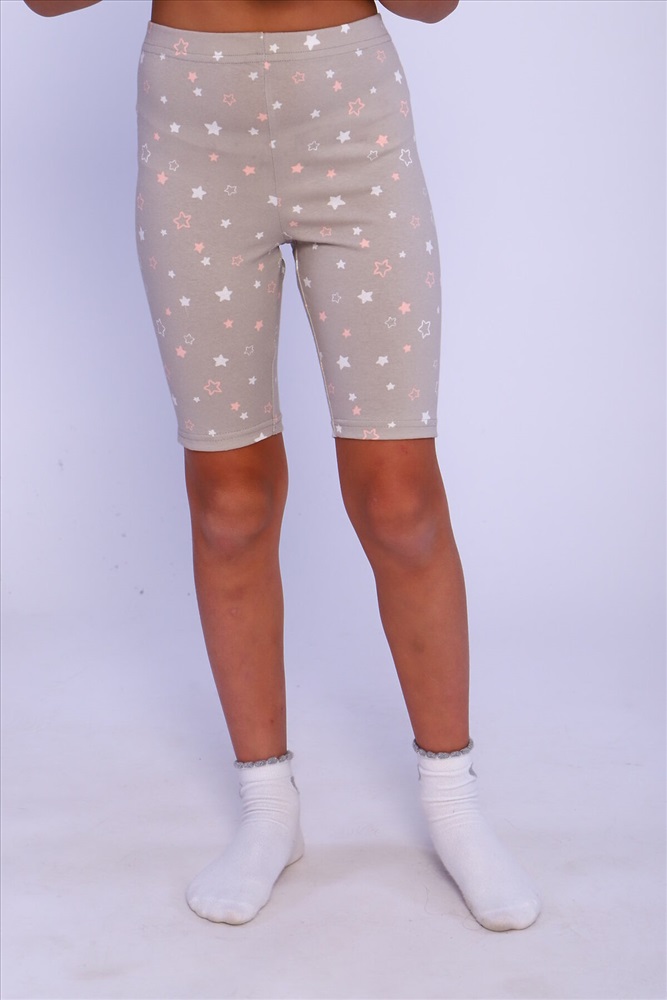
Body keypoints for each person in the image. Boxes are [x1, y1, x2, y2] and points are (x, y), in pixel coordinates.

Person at [24, 0, 541, 932]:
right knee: (230, 503)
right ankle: (269, 810)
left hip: (350, 112)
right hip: (192, 122)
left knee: (401, 506)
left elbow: (434, 5)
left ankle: (453, 804)